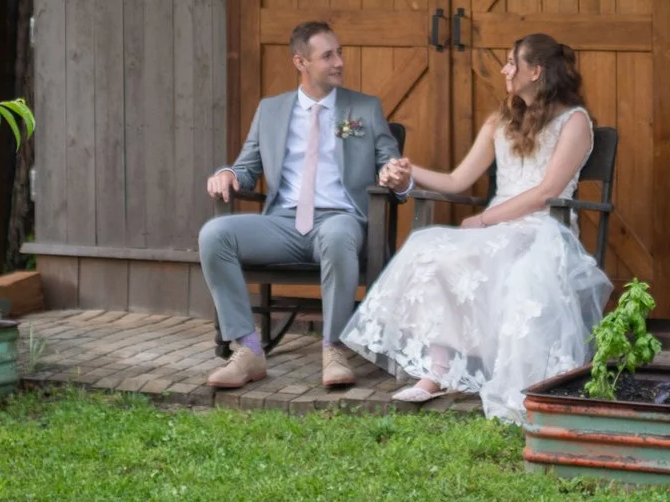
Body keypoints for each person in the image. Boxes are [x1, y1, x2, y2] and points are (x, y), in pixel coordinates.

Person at [343, 32, 613, 421]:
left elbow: (547, 192)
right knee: (429, 249)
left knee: (500, 261)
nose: (504, 70)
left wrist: (485, 219)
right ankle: (438, 371)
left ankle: (500, 375)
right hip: (499, 227)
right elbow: (457, 180)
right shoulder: (501, 120)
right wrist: (407, 171)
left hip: (543, 226)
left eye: (512, 62)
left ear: (536, 71)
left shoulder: (574, 122)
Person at [199, 21, 404, 392]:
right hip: (283, 224)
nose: (339, 62)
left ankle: (334, 348)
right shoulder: (270, 110)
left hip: (340, 220)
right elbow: (246, 168)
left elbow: (390, 162)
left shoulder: (365, 107)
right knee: (214, 235)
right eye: (328, 56)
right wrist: (227, 174)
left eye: (339, 53)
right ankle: (247, 349)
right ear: (301, 62)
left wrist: (396, 175)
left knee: (338, 234)